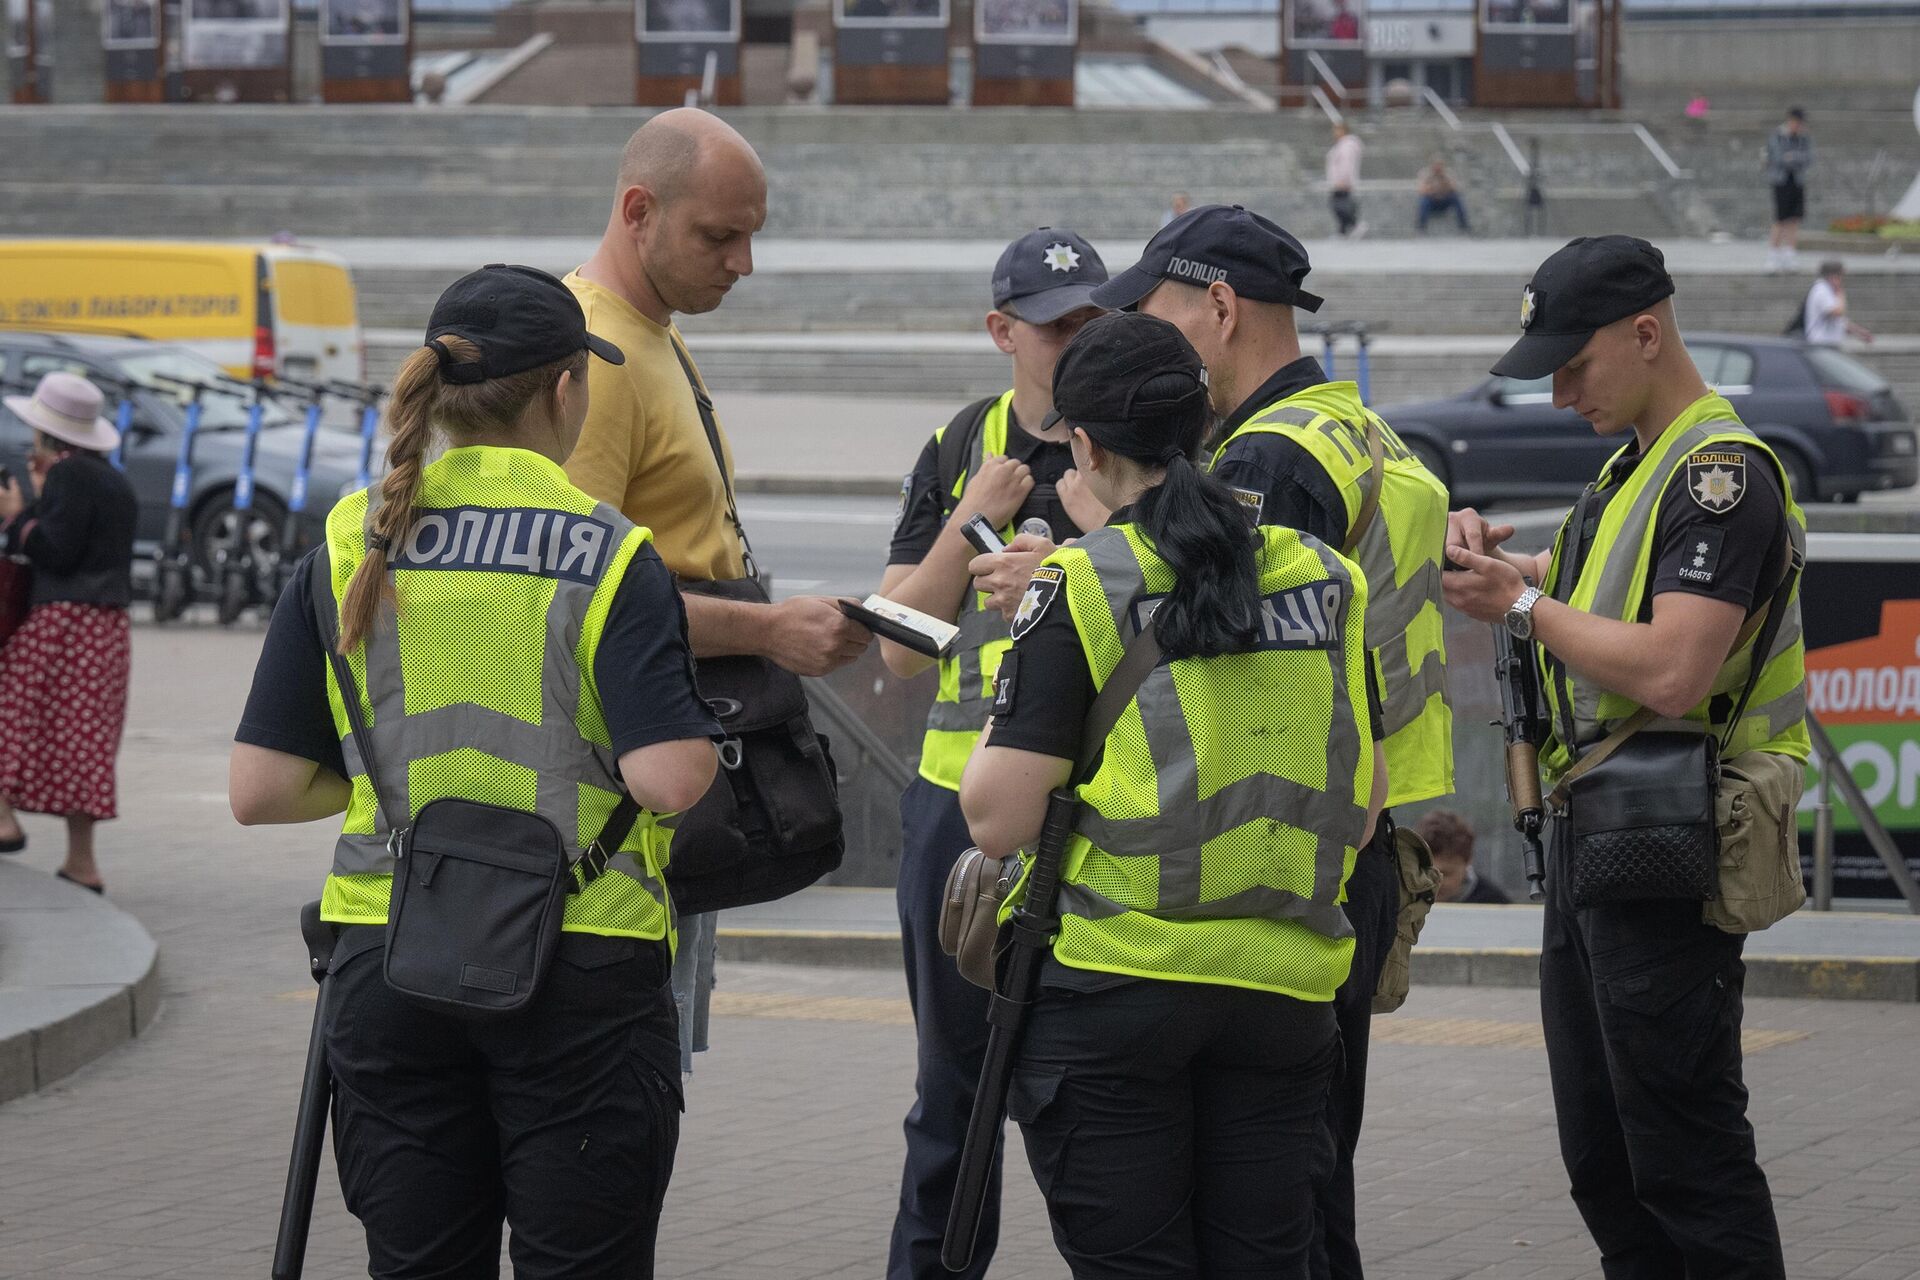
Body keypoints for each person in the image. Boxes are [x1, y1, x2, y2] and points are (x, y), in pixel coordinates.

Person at [230, 265, 720, 1277]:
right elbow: (670, 780)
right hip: (580, 963)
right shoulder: (608, 552)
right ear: (564, 390)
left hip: (388, 953)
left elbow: (262, 788)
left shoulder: (348, 536)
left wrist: (382, 789)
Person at [960, 310, 1387, 1278]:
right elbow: (1362, 810)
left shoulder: (1078, 581)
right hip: (1283, 997)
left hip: (1117, 990)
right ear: (1204, 427)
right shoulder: (1327, 576)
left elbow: (995, 815)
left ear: (1085, 444)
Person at [1090, 203, 1453, 1280]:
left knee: (1279, 1197)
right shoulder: (1361, 427)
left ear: (1217, 305)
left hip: (1302, 855)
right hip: (1367, 831)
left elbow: (1230, 670)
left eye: (1152, 314)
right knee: (1308, 1169)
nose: (1144, 342)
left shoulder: (1268, 459)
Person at [1443, 235, 1804, 1279]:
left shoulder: (1720, 476)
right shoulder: (1631, 466)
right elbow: (1586, 588)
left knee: (1685, 1158)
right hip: (1600, 834)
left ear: (1647, 332)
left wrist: (1521, 603)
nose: (1559, 394)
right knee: (1604, 1157)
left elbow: (1675, 669)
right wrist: (1502, 570)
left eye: (1573, 364)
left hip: (1673, 842)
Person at [563, 108, 873, 1077]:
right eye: (719, 235)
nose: (743, 262)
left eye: (754, 234)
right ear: (638, 209)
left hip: (664, 790)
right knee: (625, 1097)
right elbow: (577, 598)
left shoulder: (651, 332)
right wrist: (769, 629)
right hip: (626, 807)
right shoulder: (598, 359)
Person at [875, 225, 1108, 1280]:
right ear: (1003, 331)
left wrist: (1066, 570)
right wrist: (970, 520)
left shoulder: (1132, 438)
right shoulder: (962, 442)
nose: (1078, 339)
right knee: (953, 1094)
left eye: (1093, 319)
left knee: (1081, 1091)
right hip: (955, 809)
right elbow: (898, 651)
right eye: (1057, 326)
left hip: (1094, 803)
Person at [0, 372, 138, 893]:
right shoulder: (111, 478)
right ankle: (82, 863)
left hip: (64, 622)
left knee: (9, 704)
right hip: (106, 627)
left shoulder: (68, 475)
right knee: (85, 741)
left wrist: (16, 518)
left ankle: (4, 819)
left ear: (46, 434)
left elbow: (55, 550)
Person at [1413, 809, 1511, 904]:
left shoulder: (1495, 906)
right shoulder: (1401, 900)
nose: (1434, 883)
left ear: (1468, 861)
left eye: (1445, 874)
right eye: (1426, 873)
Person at [1765, 108, 1811, 274]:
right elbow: (1778, 157)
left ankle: (1789, 254)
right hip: (1781, 181)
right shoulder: (1778, 136)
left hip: (1797, 181)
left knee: (1794, 219)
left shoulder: (1803, 138)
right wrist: (1793, 158)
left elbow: (1808, 158)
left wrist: (1792, 157)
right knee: (1780, 219)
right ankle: (1773, 255)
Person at [1802, 260, 1873, 347]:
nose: (1842, 280)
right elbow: (1837, 312)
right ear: (1834, 276)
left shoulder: (1828, 290)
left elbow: (1839, 321)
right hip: (1821, 345)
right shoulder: (1821, 290)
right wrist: (1840, 291)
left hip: (1829, 345)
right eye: (1841, 276)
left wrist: (1858, 332)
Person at [1326, 122, 1365, 239]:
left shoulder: (1347, 146)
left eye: (1337, 130)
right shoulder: (1342, 145)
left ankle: (1354, 225)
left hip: (1342, 182)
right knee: (1341, 204)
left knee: (1339, 205)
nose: (1334, 133)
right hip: (1339, 181)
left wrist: (1343, 180)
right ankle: (1343, 231)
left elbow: (1346, 164)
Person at [1415, 157, 1471, 234]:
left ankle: (1464, 226)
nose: (1438, 168)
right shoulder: (1426, 174)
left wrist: (1445, 180)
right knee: (1424, 201)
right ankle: (1421, 227)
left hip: (1445, 200)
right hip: (1432, 201)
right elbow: (1422, 190)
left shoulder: (1448, 173)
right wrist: (1433, 189)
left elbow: (1455, 188)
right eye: (1436, 165)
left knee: (1456, 198)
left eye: (1440, 165)